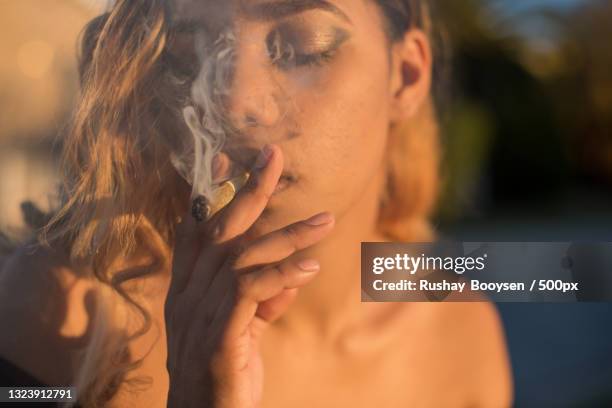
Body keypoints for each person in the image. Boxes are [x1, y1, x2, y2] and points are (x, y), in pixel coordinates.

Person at [0, 0, 513, 406]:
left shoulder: (457, 332)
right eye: (186, 55)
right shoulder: (60, 316)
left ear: (406, 76)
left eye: (303, 48)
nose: (233, 99)